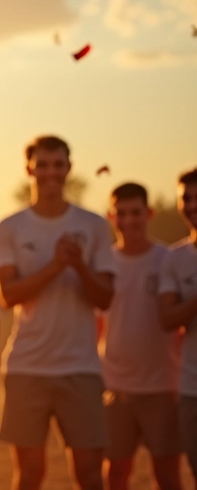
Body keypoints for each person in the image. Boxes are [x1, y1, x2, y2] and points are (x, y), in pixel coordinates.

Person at [0, 135, 115, 490]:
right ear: (29, 168)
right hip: (27, 366)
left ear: (69, 168)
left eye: (58, 164)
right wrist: (56, 266)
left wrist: (80, 266)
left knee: (90, 474)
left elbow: (104, 298)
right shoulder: (10, 226)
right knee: (29, 475)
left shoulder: (93, 225)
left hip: (82, 367)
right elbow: (6, 296)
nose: (50, 172)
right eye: (42, 165)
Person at [102, 182, 182, 490]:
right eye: (121, 213)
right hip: (116, 388)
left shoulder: (167, 258)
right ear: (112, 217)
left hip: (163, 386)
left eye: (136, 212)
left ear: (148, 214)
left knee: (167, 475)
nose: (129, 220)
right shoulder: (104, 262)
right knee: (117, 473)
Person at [158, 167, 197, 479]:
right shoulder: (174, 258)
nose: (193, 205)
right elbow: (168, 319)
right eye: (187, 198)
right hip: (191, 386)